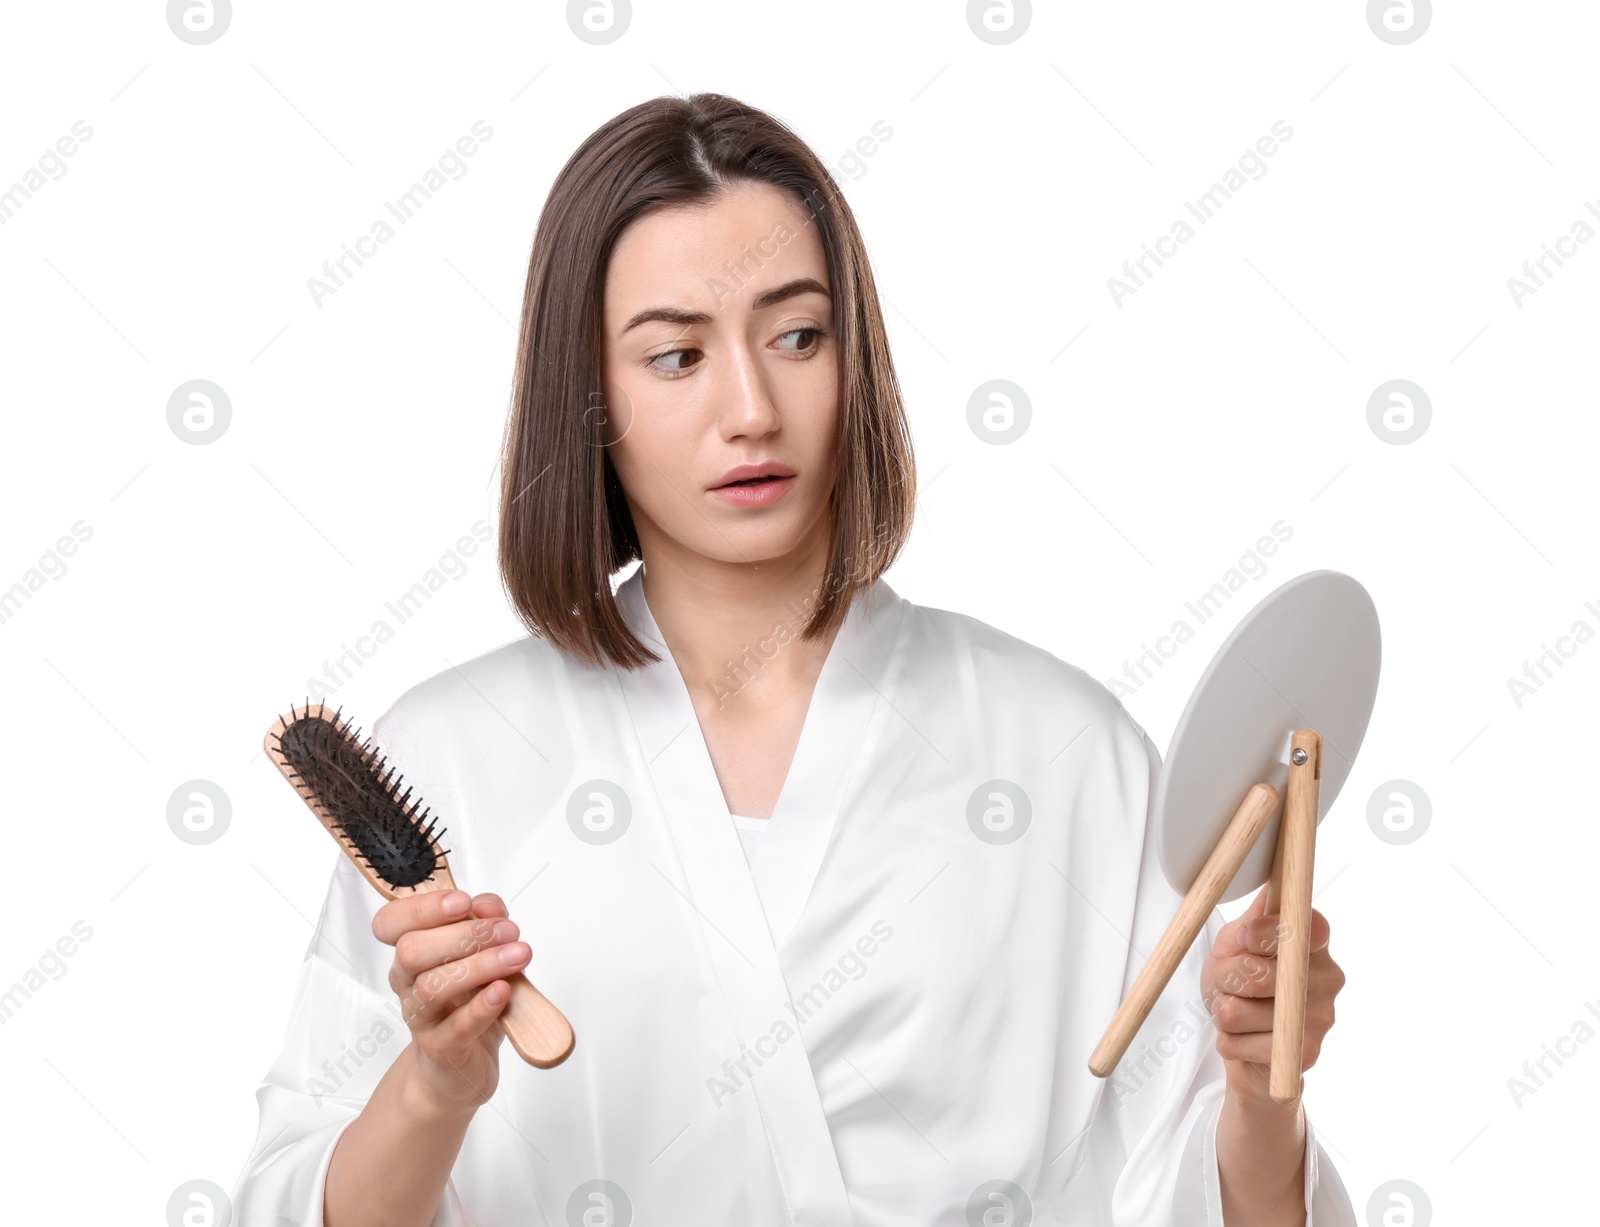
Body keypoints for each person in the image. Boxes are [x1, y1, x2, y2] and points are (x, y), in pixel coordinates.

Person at [231, 92, 1354, 1226]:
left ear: (854, 358)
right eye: (675, 356)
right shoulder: (463, 755)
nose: (751, 408)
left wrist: (1265, 1097)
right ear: (589, 399)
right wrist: (435, 1088)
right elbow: (288, 1204)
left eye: (798, 336)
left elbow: (1203, 1192)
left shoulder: (1061, 750)